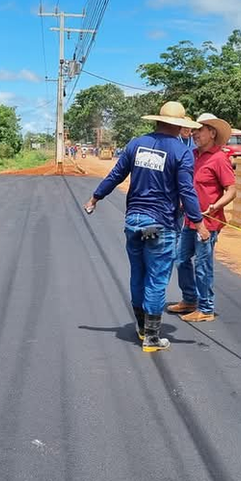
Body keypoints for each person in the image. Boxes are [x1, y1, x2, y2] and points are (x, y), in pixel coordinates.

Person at [84, 101, 209, 352]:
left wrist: (95, 198)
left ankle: (142, 328)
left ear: (157, 121)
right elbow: (186, 190)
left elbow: (115, 175)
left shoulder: (136, 144)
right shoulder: (181, 152)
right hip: (161, 225)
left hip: (134, 223)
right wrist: (198, 223)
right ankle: (152, 338)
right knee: (157, 278)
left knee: (138, 274)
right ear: (179, 125)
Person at [167, 113, 237, 322]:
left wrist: (215, 206)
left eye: (200, 130)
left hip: (208, 223)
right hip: (191, 220)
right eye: (194, 130)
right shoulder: (194, 156)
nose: (195, 134)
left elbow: (231, 190)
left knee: (203, 264)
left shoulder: (219, 159)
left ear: (212, 133)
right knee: (180, 259)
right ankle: (190, 299)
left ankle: (206, 308)